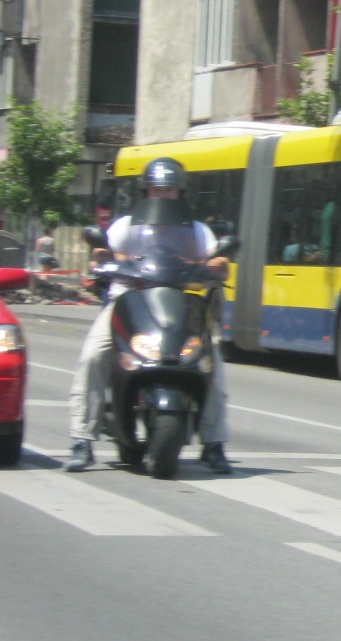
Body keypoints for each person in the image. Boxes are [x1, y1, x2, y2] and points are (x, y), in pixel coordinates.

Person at [64, 158, 235, 474]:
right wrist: (108, 259)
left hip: (180, 301)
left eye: (168, 189)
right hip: (128, 299)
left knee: (211, 362)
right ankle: (81, 440)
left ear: (179, 192)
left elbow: (219, 261)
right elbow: (100, 254)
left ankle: (214, 444)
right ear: (146, 191)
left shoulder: (197, 230)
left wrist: (212, 266)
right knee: (93, 356)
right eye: (156, 188)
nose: (162, 194)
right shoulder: (125, 225)